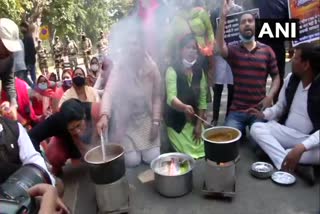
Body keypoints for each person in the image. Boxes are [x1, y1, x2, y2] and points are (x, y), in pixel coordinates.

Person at [249, 43, 320, 184]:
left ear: (306, 65)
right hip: (288, 133)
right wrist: (264, 115)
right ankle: (290, 164)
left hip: (313, 141)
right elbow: (280, 107)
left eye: (295, 58)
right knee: (256, 127)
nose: (291, 60)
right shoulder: (290, 80)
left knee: (290, 152)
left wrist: (302, 147)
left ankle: (281, 155)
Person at [97, 29, 162, 167]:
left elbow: (157, 96)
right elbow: (108, 93)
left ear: (143, 47)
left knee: (153, 158)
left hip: (146, 119)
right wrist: (104, 115)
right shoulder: (120, 68)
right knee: (132, 161)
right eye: (130, 44)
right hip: (127, 122)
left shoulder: (152, 68)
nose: (133, 48)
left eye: (136, 44)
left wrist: (155, 122)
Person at [216, 0, 280, 136]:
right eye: (243, 22)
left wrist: (270, 96)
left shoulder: (267, 50)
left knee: (260, 147)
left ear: (255, 25)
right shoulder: (233, 51)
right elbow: (220, 48)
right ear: (239, 27)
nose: (247, 24)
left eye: (250, 21)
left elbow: (276, 77)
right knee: (228, 141)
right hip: (237, 111)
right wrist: (223, 18)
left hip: (258, 111)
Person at [29, 99, 100, 176]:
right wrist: (39, 162)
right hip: (66, 143)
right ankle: (57, 170)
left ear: (84, 116)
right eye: (72, 129)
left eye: (78, 125)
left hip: (93, 141)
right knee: (54, 155)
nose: (77, 131)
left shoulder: (93, 110)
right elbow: (32, 136)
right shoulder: (57, 121)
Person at [164, 34, 206, 159]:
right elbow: (171, 98)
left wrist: (199, 125)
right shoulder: (172, 70)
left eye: (194, 48)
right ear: (181, 50)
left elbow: (203, 100)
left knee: (205, 149)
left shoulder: (199, 71)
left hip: (194, 121)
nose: (192, 51)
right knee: (188, 156)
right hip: (177, 121)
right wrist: (184, 107)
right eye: (188, 47)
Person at [245, 0, 290, 103]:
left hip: (278, 47)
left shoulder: (284, 2)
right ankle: (258, 108)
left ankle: (277, 108)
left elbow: (288, 21)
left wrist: (291, 44)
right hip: (259, 48)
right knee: (258, 79)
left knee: (279, 78)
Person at [210, 0, 243, 126]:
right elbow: (212, 32)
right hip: (219, 55)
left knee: (232, 88)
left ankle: (229, 118)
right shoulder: (214, 12)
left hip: (234, 53)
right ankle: (214, 118)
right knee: (217, 89)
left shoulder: (239, 10)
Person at [0, 115, 55, 184]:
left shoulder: (14, 127)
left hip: (19, 182)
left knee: (57, 186)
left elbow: (32, 158)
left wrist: (47, 180)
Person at [0, 18, 20, 121]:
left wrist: (13, 103)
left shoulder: (9, 58)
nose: (9, 52)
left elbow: (8, 82)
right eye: (5, 46)